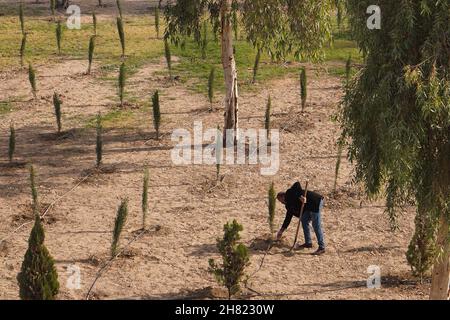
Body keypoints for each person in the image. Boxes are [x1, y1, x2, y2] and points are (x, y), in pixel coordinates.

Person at [276, 182, 326, 255]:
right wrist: (281, 230)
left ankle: (322, 247)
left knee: (316, 225)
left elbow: (297, 184)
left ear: (283, 196)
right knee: (304, 220)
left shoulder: (289, 193)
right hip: (308, 207)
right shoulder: (288, 205)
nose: (281, 202)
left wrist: (300, 196)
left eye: (280, 200)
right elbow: (288, 218)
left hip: (315, 201)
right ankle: (308, 243)